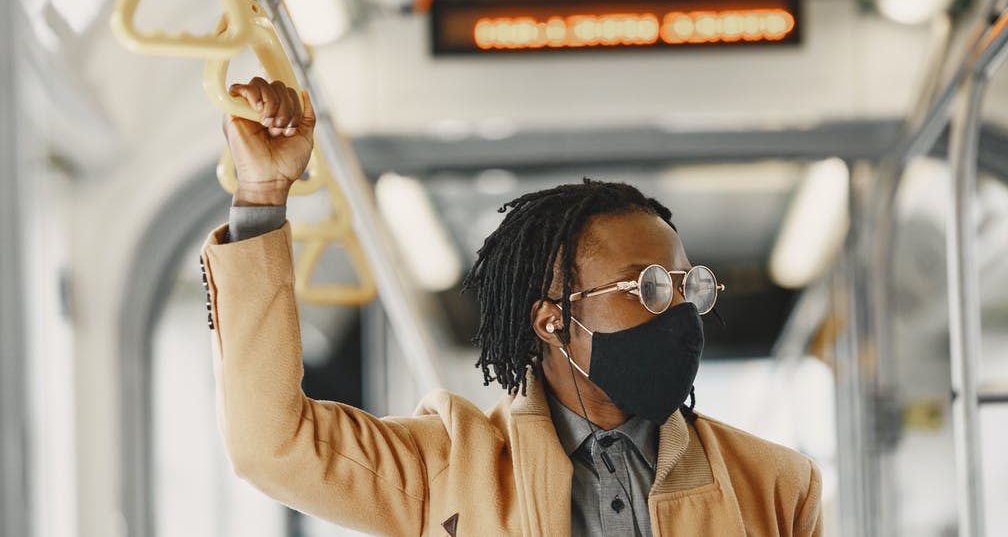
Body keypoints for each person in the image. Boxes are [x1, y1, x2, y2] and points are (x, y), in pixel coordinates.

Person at [199, 77, 822, 537]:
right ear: (553, 319)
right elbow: (271, 444)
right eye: (650, 287)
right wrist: (261, 195)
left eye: (690, 289)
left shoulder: (776, 486)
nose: (681, 312)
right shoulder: (442, 469)